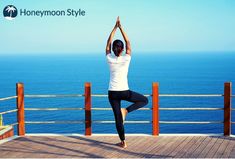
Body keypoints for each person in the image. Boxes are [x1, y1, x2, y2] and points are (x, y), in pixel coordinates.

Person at [105, 17, 149, 148]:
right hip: (124, 92)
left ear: (113, 49)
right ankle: (127, 111)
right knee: (144, 100)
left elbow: (108, 42)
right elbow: (128, 41)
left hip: (112, 93)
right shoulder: (126, 58)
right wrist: (121, 27)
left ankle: (123, 142)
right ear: (122, 49)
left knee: (118, 119)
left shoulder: (109, 58)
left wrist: (114, 27)